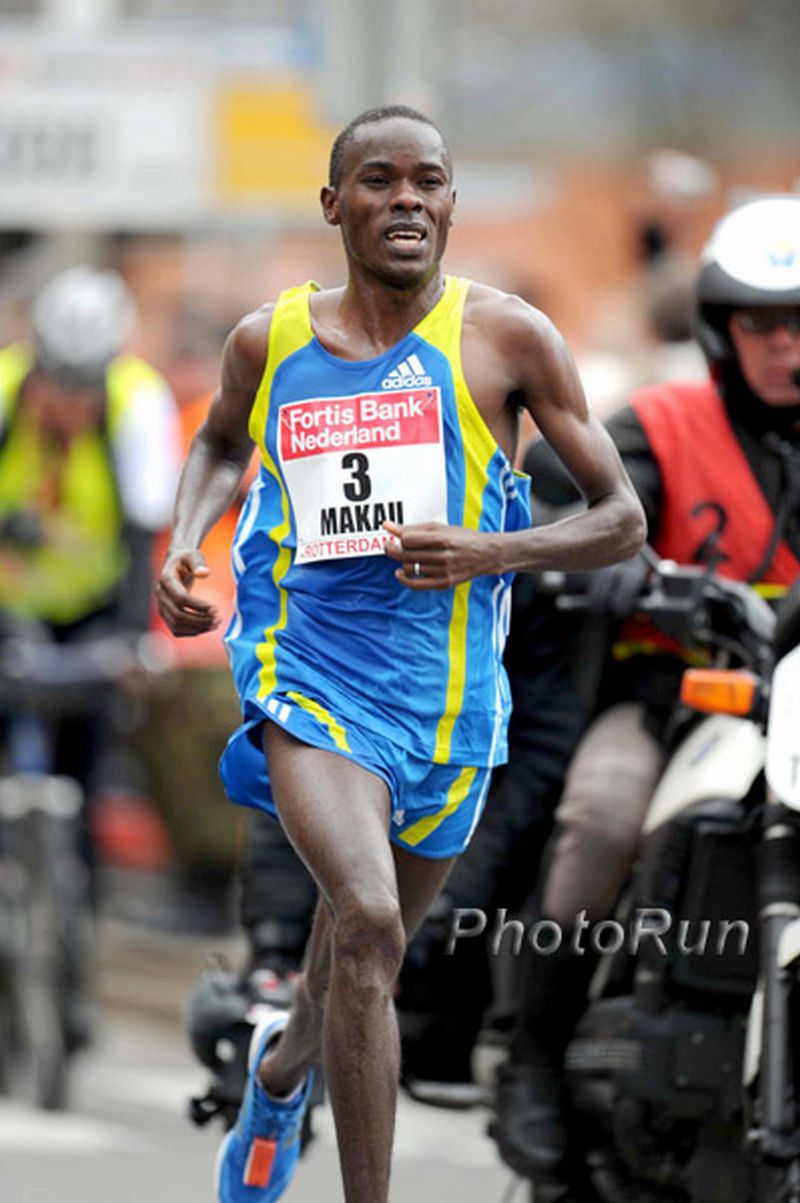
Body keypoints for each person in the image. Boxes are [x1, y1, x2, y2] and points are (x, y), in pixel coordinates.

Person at [156, 104, 645, 1203]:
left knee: (359, 947)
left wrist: (491, 547)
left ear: (452, 203)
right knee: (368, 920)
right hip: (308, 676)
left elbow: (618, 521)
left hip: (452, 708)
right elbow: (220, 440)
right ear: (334, 205)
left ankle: (281, 1074)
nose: (406, 200)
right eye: (377, 181)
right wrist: (188, 547)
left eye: (427, 181)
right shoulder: (266, 340)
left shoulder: (507, 339)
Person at [491, 193, 800, 1181]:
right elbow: (558, 512)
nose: (786, 348)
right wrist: (616, 573)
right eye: (763, 325)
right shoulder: (662, 422)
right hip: (673, 703)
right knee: (594, 819)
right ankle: (530, 1059)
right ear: (720, 328)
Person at [0, 263, 180, 1040]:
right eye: (56, 380)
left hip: (92, 618)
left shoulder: (138, 403)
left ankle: (74, 966)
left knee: (82, 794)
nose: (69, 400)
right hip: (8, 614)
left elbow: (145, 538)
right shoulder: (5, 392)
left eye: (85, 383)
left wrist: (136, 641)